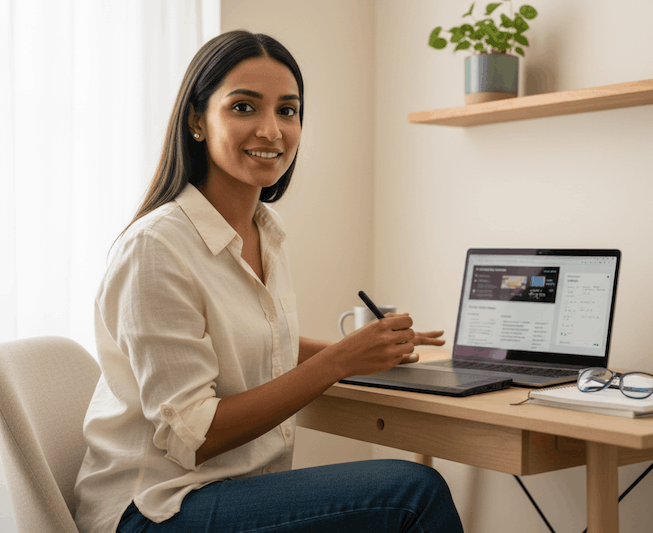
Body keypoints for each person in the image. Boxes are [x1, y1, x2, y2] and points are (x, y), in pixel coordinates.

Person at [73, 29, 464, 533]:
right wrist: (341, 360)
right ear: (197, 121)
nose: (272, 130)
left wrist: (376, 352)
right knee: (414, 493)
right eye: (243, 108)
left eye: (287, 110)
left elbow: (253, 340)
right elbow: (196, 434)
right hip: (155, 509)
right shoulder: (157, 248)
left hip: (227, 492)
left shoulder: (264, 233)